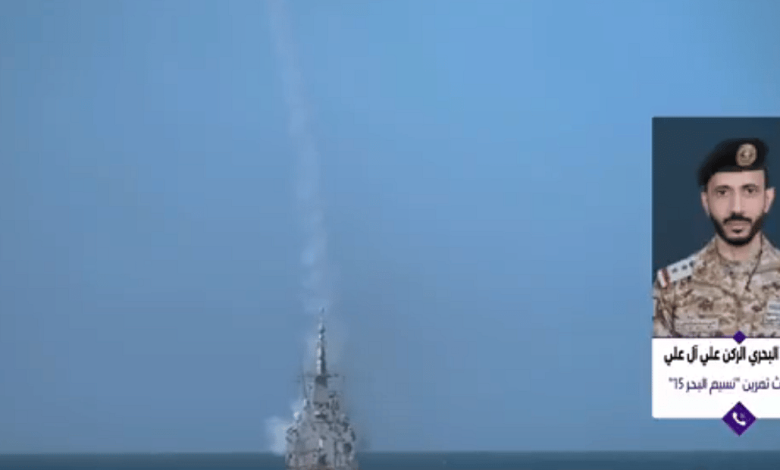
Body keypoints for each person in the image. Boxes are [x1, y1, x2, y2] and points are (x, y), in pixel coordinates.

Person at [653, 137, 780, 338]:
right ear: (706, 202)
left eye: (749, 191)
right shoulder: (673, 289)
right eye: (722, 192)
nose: (736, 208)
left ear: (768, 199)